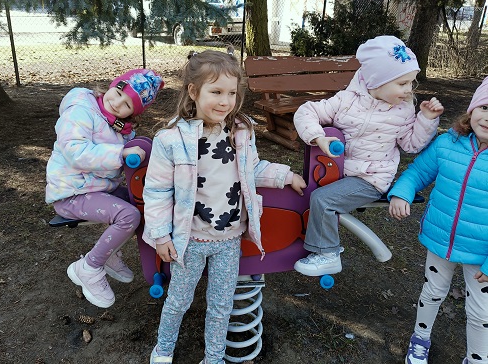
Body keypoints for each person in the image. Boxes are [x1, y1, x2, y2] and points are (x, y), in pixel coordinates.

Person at [142, 47, 307, 364]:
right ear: (194, 91)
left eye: (231, 93)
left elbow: (252, 169)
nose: (225, 101)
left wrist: (284, 176)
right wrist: (161, 235)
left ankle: (214, 357)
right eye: (216, 92)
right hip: (190, 240)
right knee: (178, 300)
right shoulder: (172, 139)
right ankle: (163, 348)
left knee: (221, 305)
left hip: (229, 240)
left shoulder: (240, 131)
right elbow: (158, 190)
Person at [292, 35, 444, 277]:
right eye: (402, 83)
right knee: (300, 192)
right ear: (376, 81)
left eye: (410, 83)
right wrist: (317, 137)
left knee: (323, 200)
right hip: (338, 173)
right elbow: (305, 112)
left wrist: (426, 119)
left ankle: (328, 255)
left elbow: (411, 145)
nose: (408, 90)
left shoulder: (403, 110)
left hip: (371, 178)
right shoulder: (346, 101)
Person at [388, 77, 488, 364]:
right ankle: (420, 339)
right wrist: (402, 193)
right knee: (432, 292)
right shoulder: (448, 143)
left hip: (482, 254)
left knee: (481, 312)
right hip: (440, 239)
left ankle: (477, 358)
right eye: (484, 107)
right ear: (472, 109)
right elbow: (418, 172)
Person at [45, 69, 164, 308]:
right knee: (128, 215)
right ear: (112, 85)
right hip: (71, 193)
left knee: (140, 205)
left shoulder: (120, 127)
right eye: (119, 93)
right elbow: (76, 152)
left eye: (127, 104)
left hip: (95, 189)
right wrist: (121, 153)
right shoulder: (81, 110)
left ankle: (109, 254)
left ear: (133, 113)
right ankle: (89, 267)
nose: (117, 103)